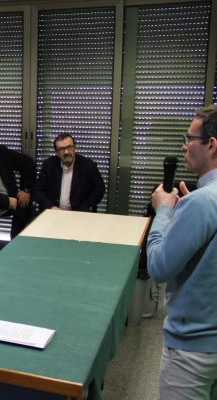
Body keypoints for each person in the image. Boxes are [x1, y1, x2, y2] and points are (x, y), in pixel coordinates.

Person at [147, 105, 217, 400]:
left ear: (211, 145)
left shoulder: (201, 203)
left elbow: (160, 267)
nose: (184, 145)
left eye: (190, 137)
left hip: (193, 352)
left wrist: (164, 211)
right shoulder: (202, 203)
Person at [34, 133, 105, 212]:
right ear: (56, 152)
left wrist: (85, 207)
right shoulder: (49, 165)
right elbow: (38, 191)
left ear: (75, 148)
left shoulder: (88, 165)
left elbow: (99, 190)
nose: (66, 152)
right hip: (54, 212)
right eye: (61, 149)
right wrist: (51, 207)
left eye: (69, 147)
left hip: (80, 213)